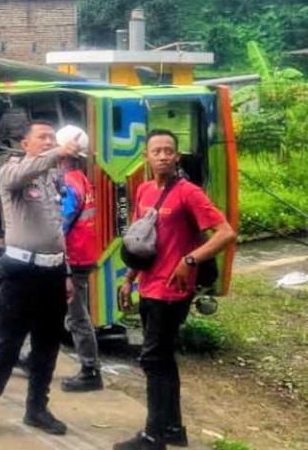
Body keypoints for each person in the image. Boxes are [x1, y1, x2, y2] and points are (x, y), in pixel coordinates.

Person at [114, 129, 236, 450]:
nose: (164, 155)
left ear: (177, 157)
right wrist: (128, 278)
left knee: (153, 360)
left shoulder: (188, 192)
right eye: (157, 151)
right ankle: (172, 430)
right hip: (148, 286)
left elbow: (225, 233)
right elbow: (143, 242)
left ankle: (153, 437)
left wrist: (190, 260)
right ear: (147, 158)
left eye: (169, 150)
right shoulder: (142, 191)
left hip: (172, 292)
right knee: (162, 359)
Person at [0, 121, 80, 439]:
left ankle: (36, 409)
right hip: (22, 274)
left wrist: (68, 273)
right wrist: (60, 150)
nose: (49, 142)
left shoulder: (51, 180)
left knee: (47, 347)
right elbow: (23, 175)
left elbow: (57, 232)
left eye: (52, 137)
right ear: (25, 144)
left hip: (53, 273)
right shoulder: (12, 172)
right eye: (42, 138)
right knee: (7, 346)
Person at [56, 124, 104, 392]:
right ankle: (34, 357)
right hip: (83, 254)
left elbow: (60, 225)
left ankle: (90, 370)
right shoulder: (81, 179)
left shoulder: (68, 184)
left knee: (76, 316)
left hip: (73, 258)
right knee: (51, 310)